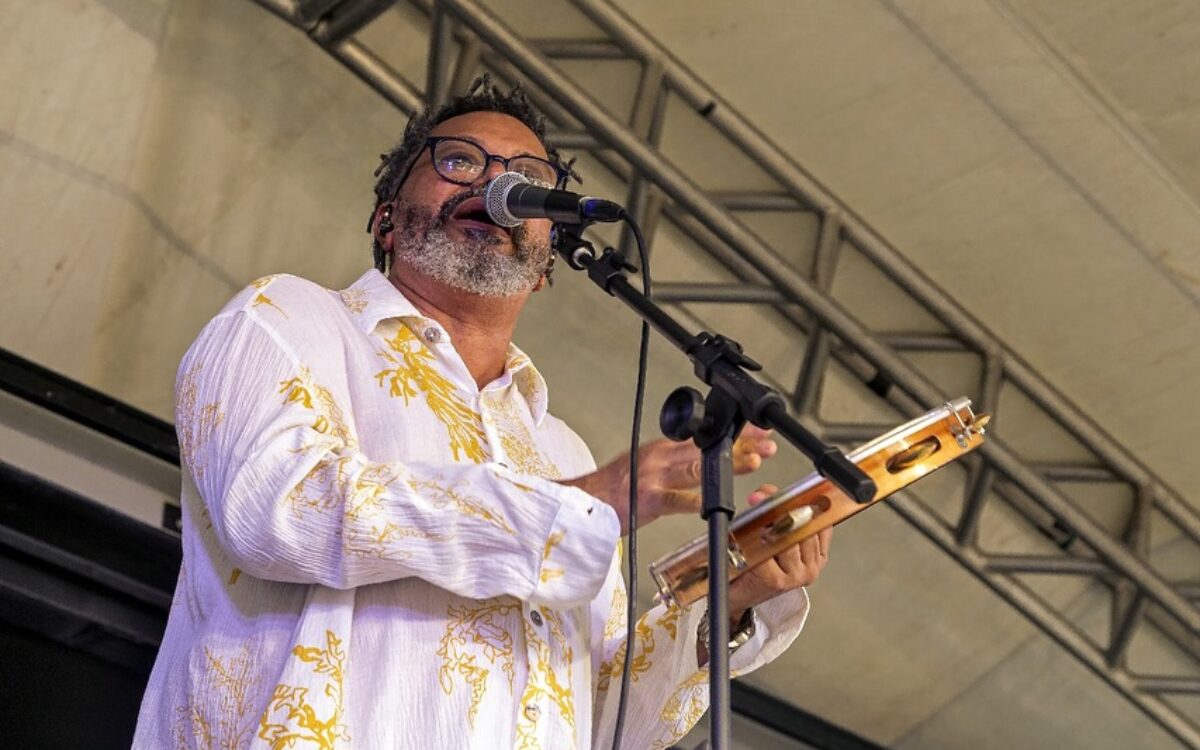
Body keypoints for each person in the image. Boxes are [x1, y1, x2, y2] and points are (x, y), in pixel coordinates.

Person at [132, 76, 833, 750]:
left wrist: (730, 604)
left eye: (525, 174)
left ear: (548, 259)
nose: (494, 185)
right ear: (386, 221)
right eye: (460, 160)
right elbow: (277, 511)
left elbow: (601, 719)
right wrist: (590, 504)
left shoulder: (561, 451)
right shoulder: (289, 318)